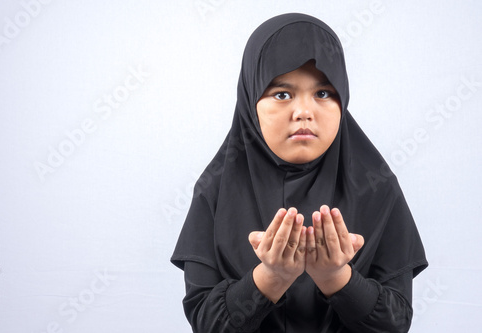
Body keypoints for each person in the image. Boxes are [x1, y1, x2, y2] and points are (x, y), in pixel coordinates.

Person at [171, 13, 428, 332]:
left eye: (323, 93)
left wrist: (337, 279)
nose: (304, 112)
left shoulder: (377, 188)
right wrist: (270, 278)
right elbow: (205, 324)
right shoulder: (215, 190)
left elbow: (397, 323)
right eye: (282, 94)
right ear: (251, 99)